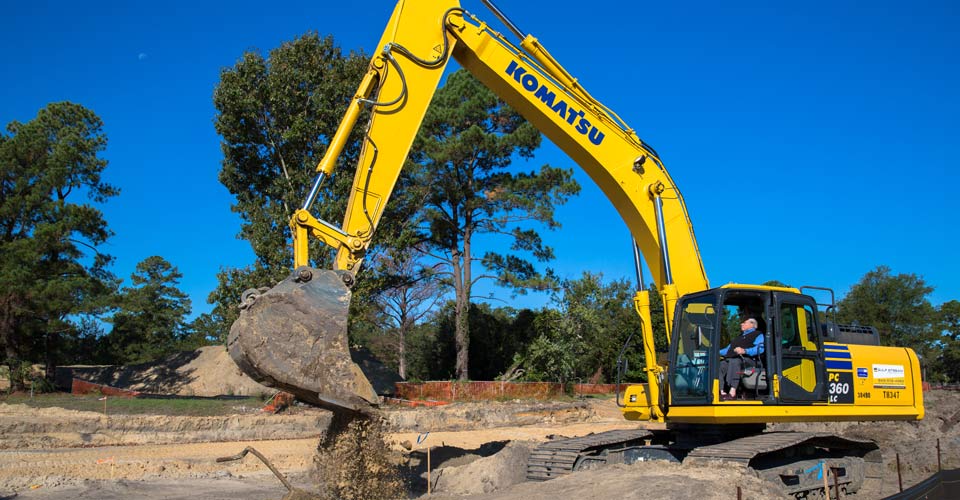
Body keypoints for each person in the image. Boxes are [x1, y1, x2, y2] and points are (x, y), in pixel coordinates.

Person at [719, 317, 764, 401]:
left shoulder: (758, 335)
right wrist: (715, 352)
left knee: (734, 361)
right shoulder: (738, 337)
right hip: (735, 359)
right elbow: (727, 350)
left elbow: (760, 349)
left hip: (750, 360)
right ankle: (721, 392)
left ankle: (732, 392)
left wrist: (745, 351)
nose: (741, 324)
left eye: (744, 323)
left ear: (752, 325)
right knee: (721, 364)